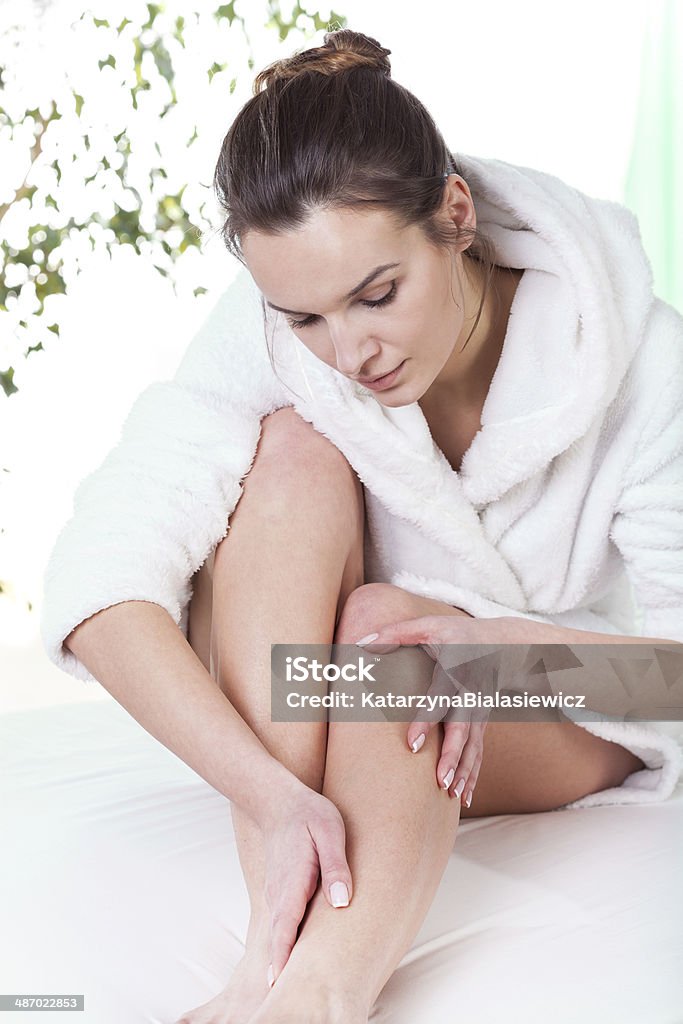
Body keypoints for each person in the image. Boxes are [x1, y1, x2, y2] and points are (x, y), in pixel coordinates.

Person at [41, 28, 683, 1024]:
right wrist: (265, 791)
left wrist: (510, 654)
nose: (347, 352)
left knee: (392, 633)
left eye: (376, 294)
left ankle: (321, 997)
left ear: (454, 215)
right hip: (325, 687)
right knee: (294, 454)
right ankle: (272, 948)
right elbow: (101, 573)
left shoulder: (642, 361)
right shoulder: (283, 331)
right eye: (303, 319)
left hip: (546, 693)